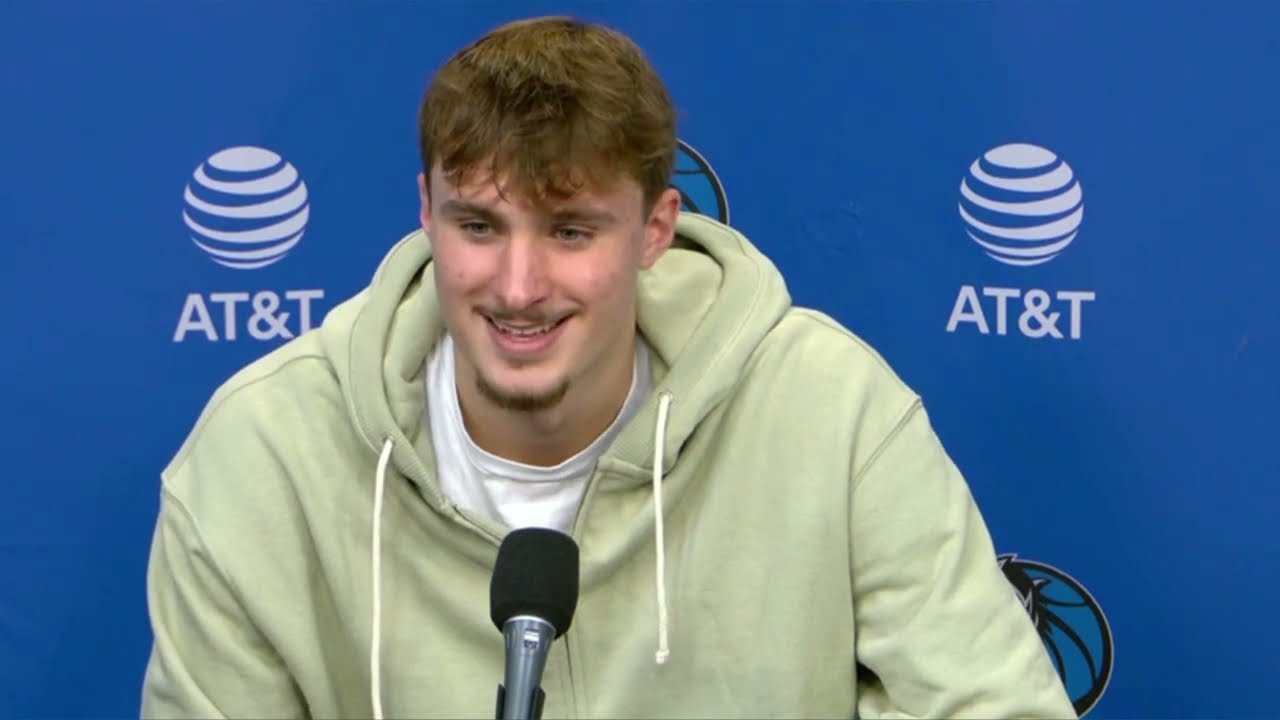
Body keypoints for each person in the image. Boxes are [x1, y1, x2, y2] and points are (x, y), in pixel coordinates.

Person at [139, 14, 1077, 720]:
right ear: (426, 213)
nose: (518, 287)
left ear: (655, 230)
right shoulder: (263, 454)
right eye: (479, 226)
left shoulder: (832, 411)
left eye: (570, 231)